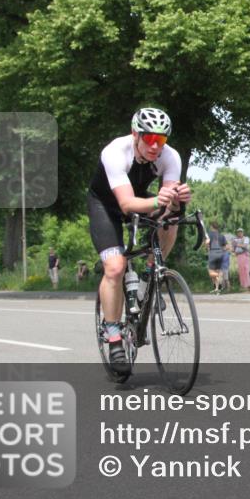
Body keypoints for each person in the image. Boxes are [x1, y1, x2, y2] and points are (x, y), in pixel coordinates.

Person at [87, 108, 191, 372]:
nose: (156, 146)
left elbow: (165, 206)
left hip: (140, 198)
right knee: (115, 267)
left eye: (162, 140)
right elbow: (125, 203)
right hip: (107, 205)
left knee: (171, 222)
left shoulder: (171, 157)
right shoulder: (115, 151)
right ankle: (113, 338)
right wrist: (158, 200)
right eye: (150, 139)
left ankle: (148, 276)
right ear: (136, 134)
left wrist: (176, 203)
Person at [205, 221, 227, 294]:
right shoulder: (221, 235)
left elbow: (207, 243)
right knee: (217, 270)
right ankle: (217, 288)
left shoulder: (209, 234)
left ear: (211, 227)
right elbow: (225, 247)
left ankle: (220, 276)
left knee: (211, 272)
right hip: (220, 254)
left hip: (212, 253)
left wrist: (206, 246)